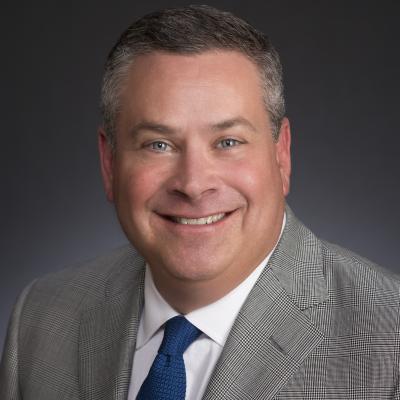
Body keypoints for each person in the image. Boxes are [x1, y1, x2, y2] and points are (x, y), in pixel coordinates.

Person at [1, 5, 399, 400]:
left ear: (281, 155)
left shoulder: (389, 341)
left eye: (228, 142)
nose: (193, 184)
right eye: (158, 145)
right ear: (109, 162)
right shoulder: (41, 318)